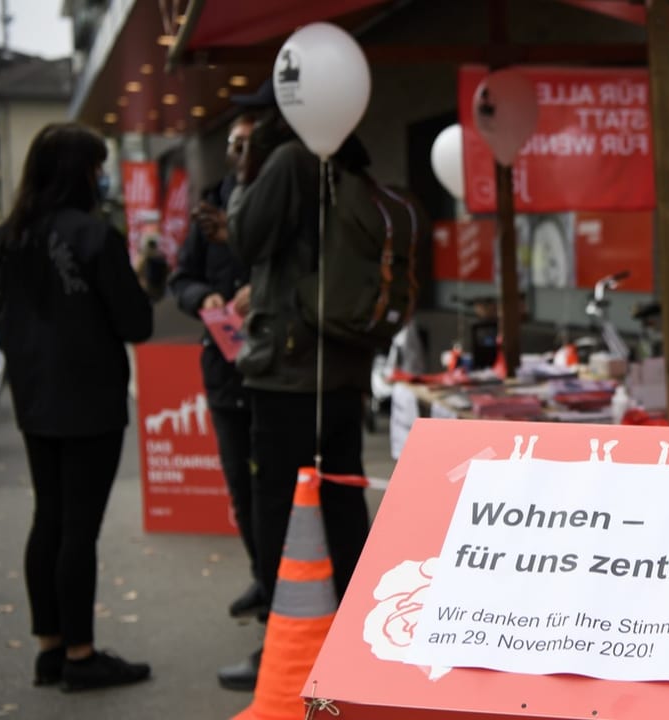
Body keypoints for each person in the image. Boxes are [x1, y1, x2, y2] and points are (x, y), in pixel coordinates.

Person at [218, 81, 373, 691]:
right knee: (340, 497)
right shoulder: (348, 159)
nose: (247, 131)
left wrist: (241, 175)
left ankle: (284, 646)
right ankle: (357, 634)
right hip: (338, 363)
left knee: (278, 508)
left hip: (287, 369)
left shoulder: (287, 161)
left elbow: (246, 238)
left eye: (254, 120)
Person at [0, 123, 153, 691]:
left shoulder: (9, 237)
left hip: (34, 398)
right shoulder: (94, 236)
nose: (102, 175)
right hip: (89, 401)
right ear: (82, 172)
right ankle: (82, 656)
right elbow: (136, 321)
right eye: (98, 165)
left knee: (49, 517)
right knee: (78, 529)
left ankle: (50, 649)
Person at [168, 114, 267, 628]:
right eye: (234, 144)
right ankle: (260, 573)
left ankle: (280, 586)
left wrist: (263, 293)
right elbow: (180, 276)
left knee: (273, 483)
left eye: (248, 144)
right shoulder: (212, 200)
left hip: (274, 368)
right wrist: (200, 296)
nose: (240, 152)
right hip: (223, 367)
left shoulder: (277, 196)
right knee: (239, 483)